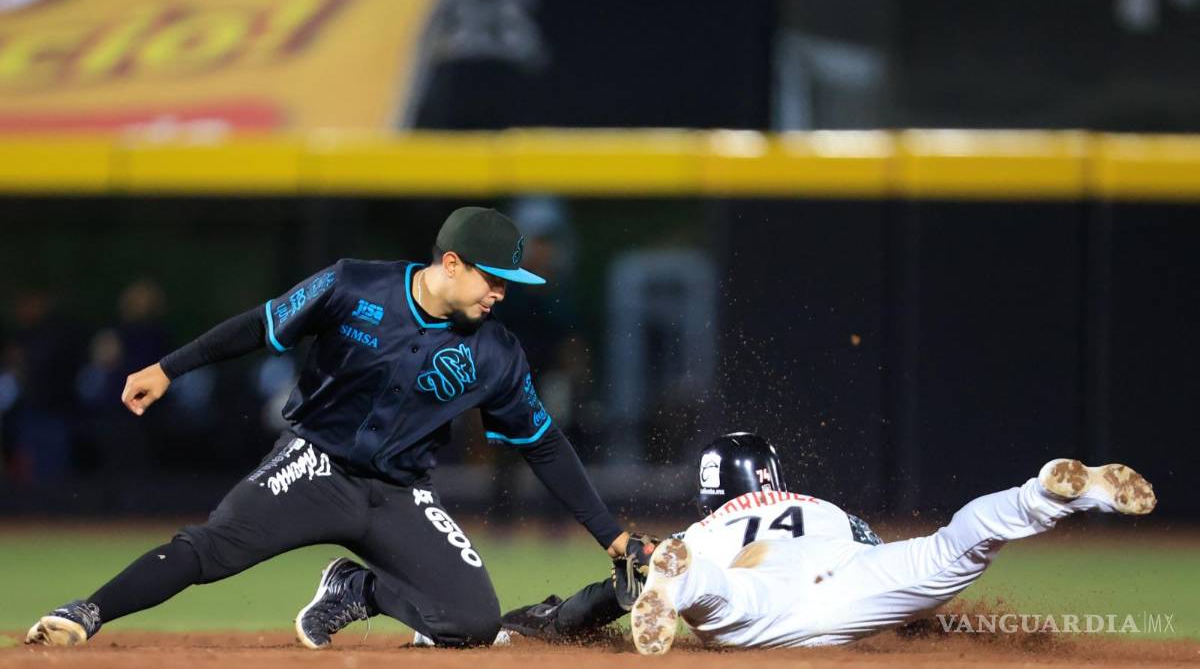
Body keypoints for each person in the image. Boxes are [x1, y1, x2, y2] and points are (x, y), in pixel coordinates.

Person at [25, 207, 630, 649]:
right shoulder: (353, 284)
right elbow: (258, 325)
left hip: (400, 494)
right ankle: (85, 612)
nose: (501, 293)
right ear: (451, 263)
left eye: (507, 283)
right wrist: (167, 368)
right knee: (211, 549)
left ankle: (356, 590)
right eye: (493, 278)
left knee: (472, 623)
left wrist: (613, 537)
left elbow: (543, 444)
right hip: (314, 465)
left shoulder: (497, 352)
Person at [629, 457, 1155, 654]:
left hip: (765, 585)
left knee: (723, 597)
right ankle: (1038, 497)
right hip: (845, 568)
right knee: (949, 549)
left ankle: (682, 579)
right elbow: (873, 550)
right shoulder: (821, 506)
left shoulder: (700, 528)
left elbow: (615, 594)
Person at [500, 432, 883, 641]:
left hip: (762, 626)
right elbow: (881, 562)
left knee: (667, 572)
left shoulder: (705, 532)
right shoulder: (834, 514)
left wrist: (555, 618)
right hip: (842, 617)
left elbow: (615, 593)